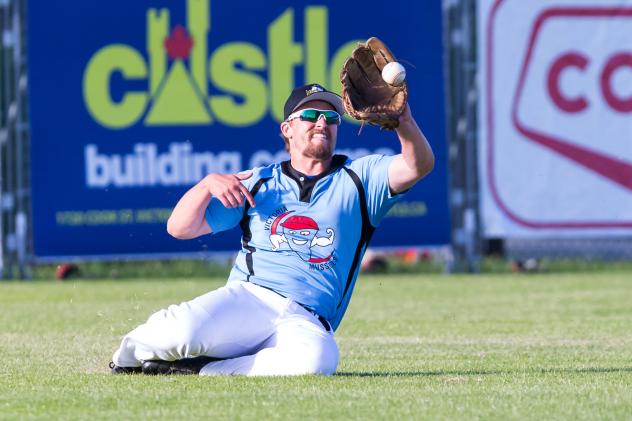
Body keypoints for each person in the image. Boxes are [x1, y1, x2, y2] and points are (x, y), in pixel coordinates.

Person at [109, 83, 434, 376]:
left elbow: (418, 165)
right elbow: (179, 228)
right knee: (180, 334)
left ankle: (204, 370)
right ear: (287, 129)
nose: (322, 122)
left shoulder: (361, 178)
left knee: (317, 361)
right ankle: (125, 359)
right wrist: (206, 184)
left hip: (306, 319)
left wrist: (402, 120)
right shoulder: (260, 181)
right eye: (310, 115)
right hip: (250, 299)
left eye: (331, 118)